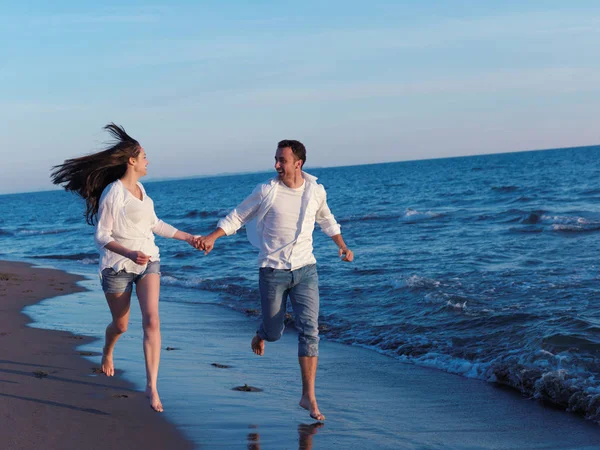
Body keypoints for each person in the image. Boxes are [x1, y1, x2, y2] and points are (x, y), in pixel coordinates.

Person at [197, 140, 354, 421]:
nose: (277, 165)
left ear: (298, 163)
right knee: (275, 331)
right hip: (272, 271)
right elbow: (238, 216)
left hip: (306, 270)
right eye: (276, 159)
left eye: (282, 160)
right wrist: (212, 237)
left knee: (310, 330)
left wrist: (341, 245)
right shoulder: (267, 190)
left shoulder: (315, 191)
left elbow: (326, 220)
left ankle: (308, 396)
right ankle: (262, 333)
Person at [51, 123, 199, 412]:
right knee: (121, 325)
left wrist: (189, 238)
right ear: (132, 161)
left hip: (149, 263)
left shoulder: (142, 189)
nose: (148, 161)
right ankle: (108, 351)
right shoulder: (113, 193)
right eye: (144, 156)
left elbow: (154, 224)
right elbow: (102, 236)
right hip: (118, 266)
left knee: (152, 320)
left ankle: (152, 387)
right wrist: (130, 251)